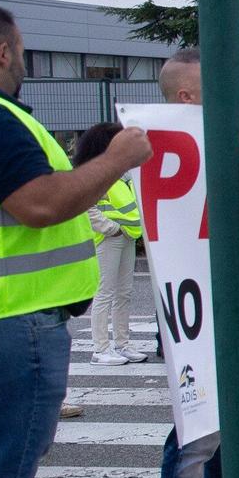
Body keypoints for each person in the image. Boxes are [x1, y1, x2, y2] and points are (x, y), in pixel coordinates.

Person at [0, 4, 151, 478]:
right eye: (25, 50)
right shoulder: (0, 118)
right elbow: (40, 204)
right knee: (8, 465)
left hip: (10, 316)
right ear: (3, 51)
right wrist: (116, 158)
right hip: (15, 318)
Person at [74, 122, 145, 367]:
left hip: (126, 234)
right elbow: (87, 207)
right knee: (105, 293)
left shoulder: (120, 170)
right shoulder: (97, 171)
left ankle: (122, 344)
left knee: (124, 292)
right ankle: (101, 348)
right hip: (109, 238)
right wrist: (110, 228)